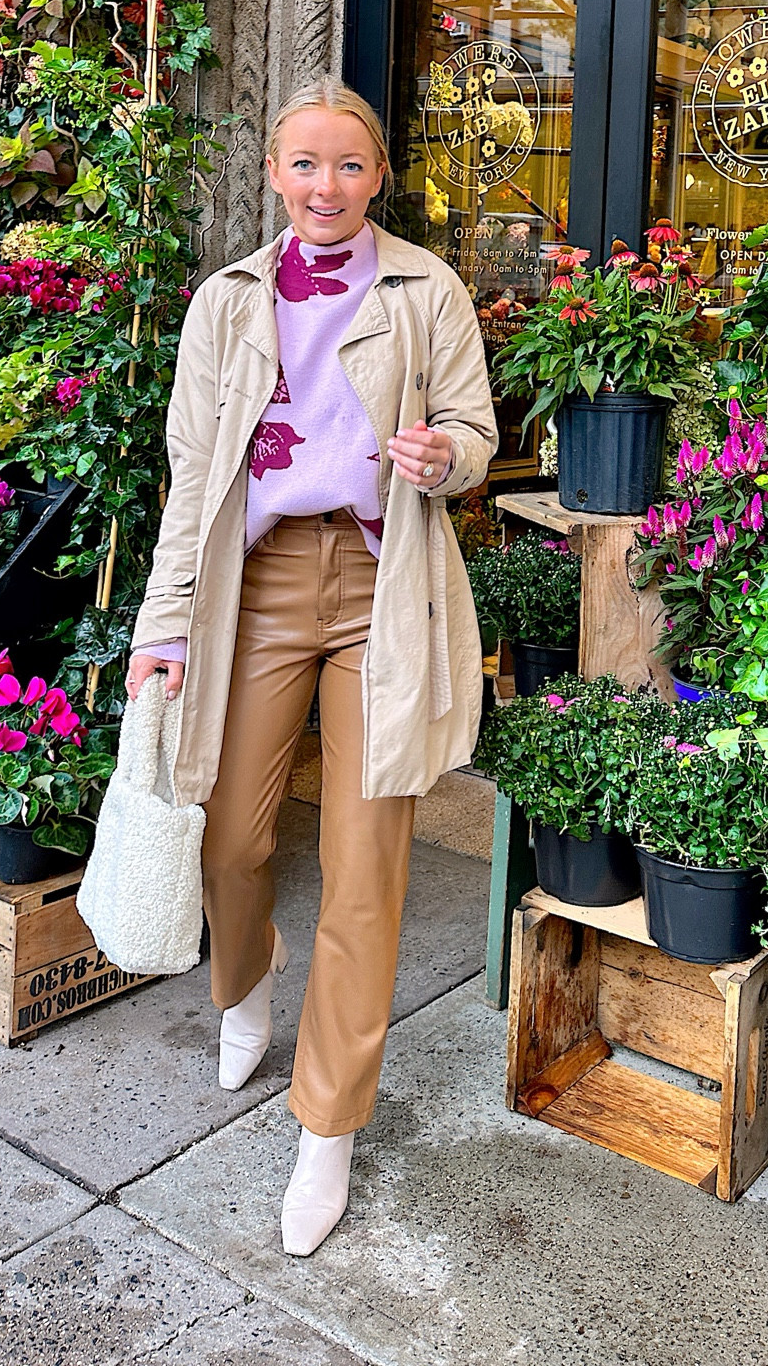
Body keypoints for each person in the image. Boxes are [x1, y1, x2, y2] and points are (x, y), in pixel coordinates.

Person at [126, 78, 497, 1256]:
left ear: (378, 175)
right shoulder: (225, 302)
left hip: (384, 584)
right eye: (303, 165)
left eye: (348, 166)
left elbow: (479, 439)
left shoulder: (424, 289)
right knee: (230, 837)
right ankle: (247, 980)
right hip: (259, 582)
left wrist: (443, 459)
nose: (325, 187)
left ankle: (326, 1131)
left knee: (363, 869)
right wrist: (163, 625)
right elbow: (194, 475)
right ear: (273, 175)